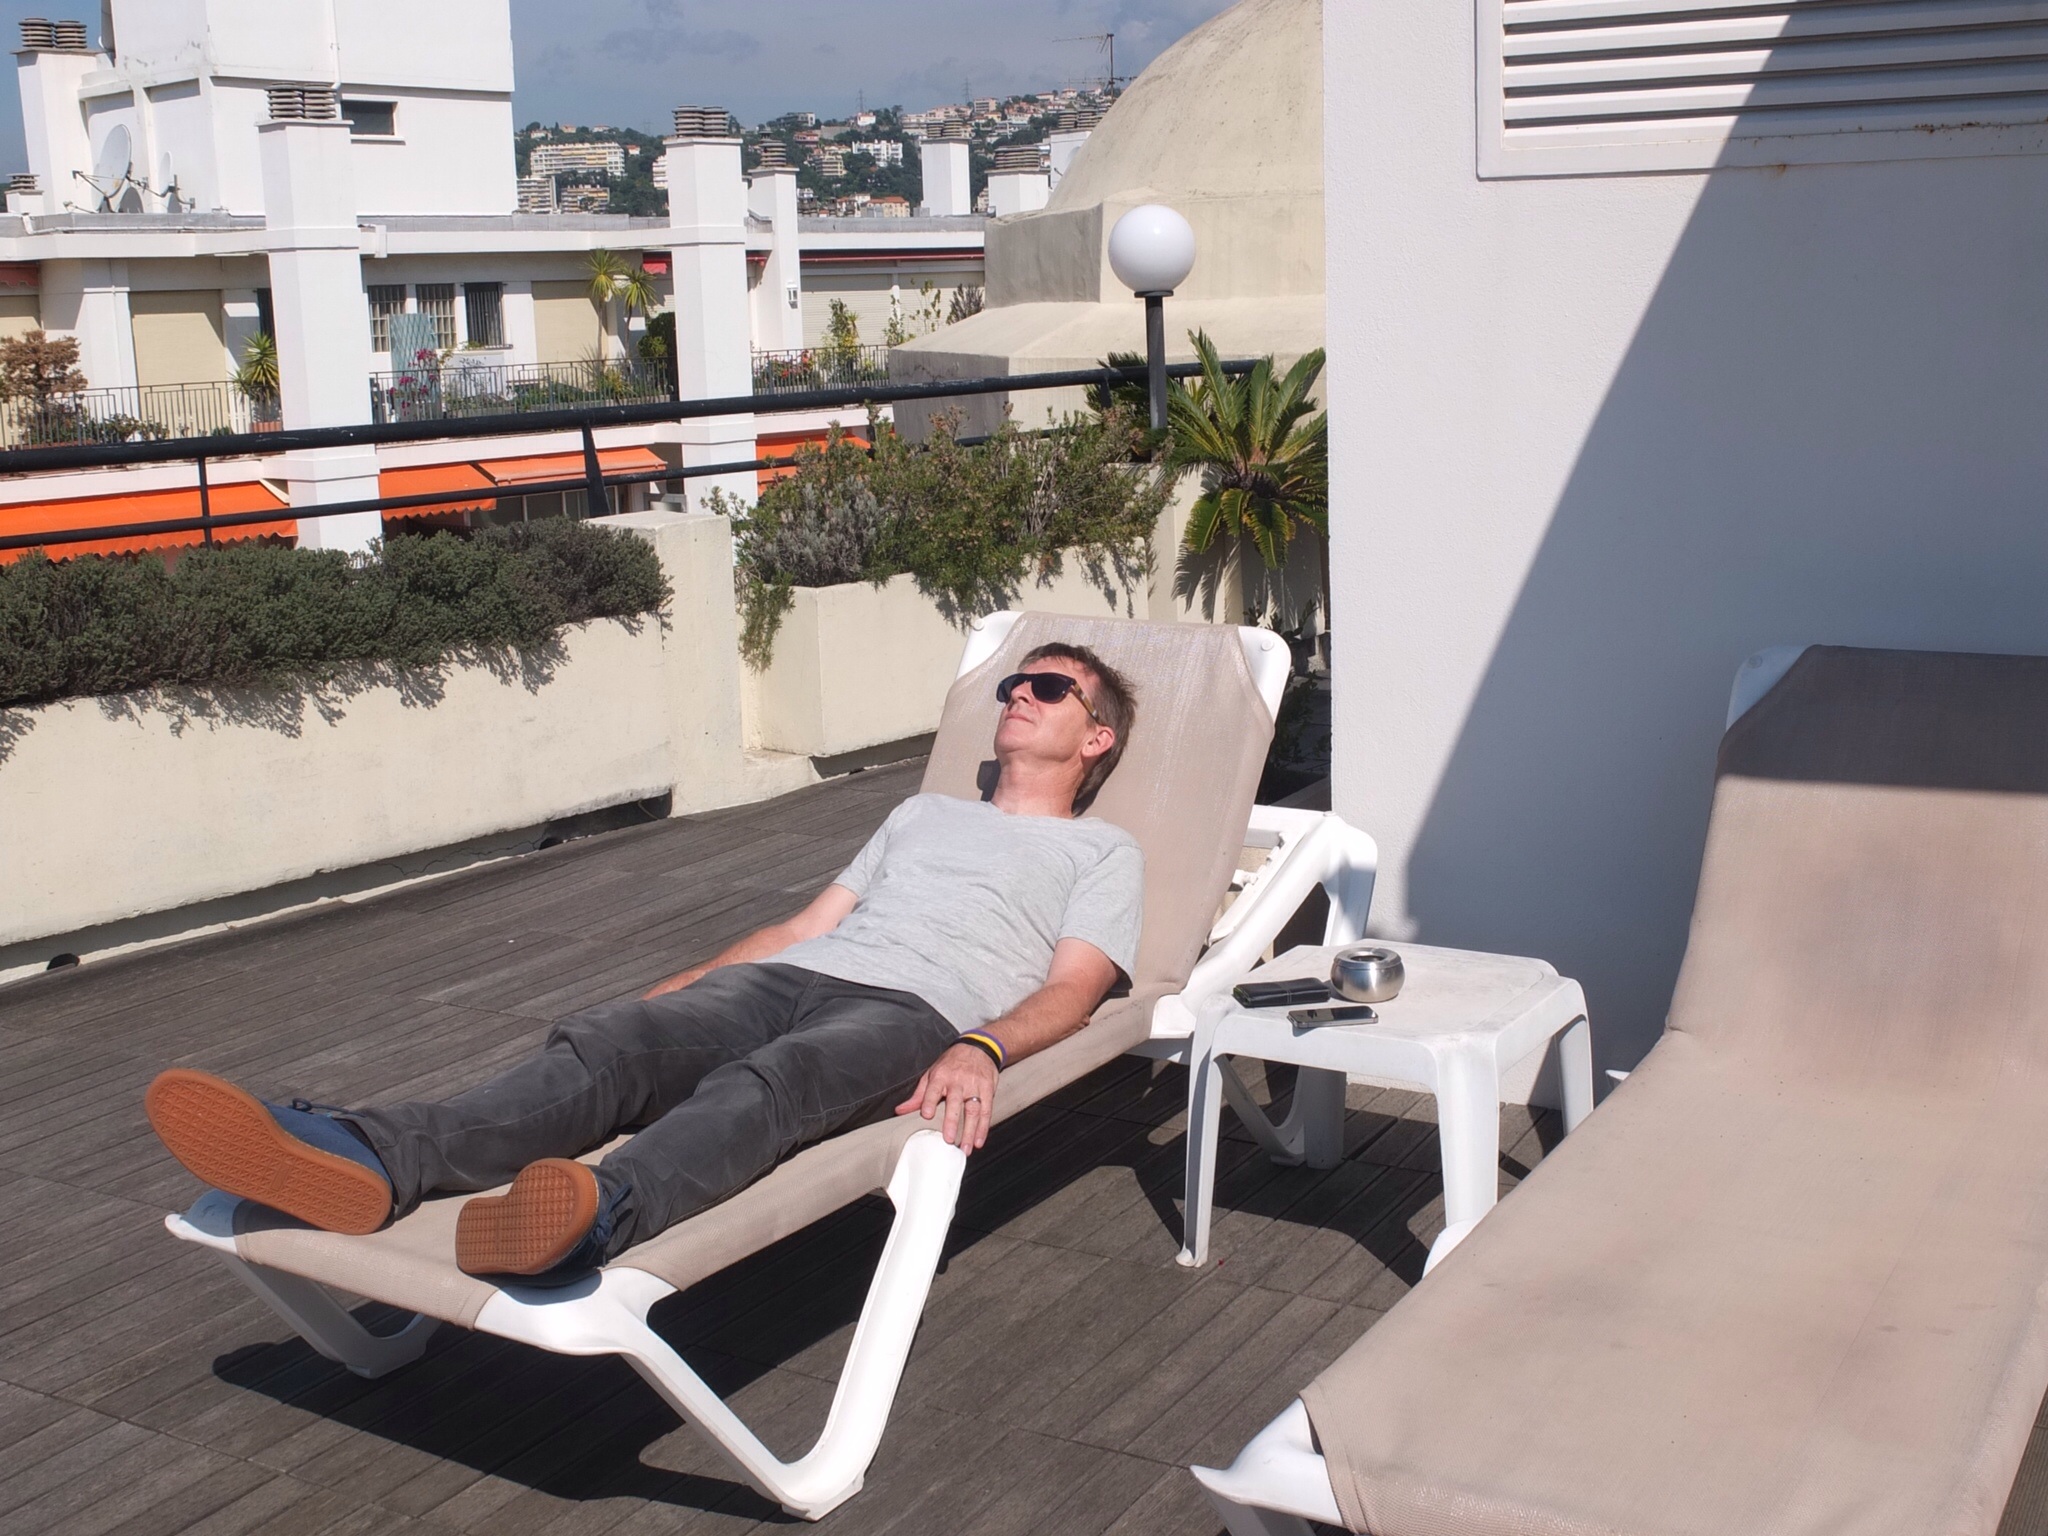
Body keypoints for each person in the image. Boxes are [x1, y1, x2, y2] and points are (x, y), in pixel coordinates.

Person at [146, 642, 1143, 1284]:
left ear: (1094, 736)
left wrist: (979, 1048)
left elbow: (1076, 987)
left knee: (775, 1081)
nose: (1018, 694)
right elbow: (806, 925)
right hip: (802, 973)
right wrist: (680, 991)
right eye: (1012, 683)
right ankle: (371, 1155)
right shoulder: (920, 812)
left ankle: (593, 1218)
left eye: (1047, 687)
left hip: (915, 1012)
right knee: (614, 1044)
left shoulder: (1101, 852)